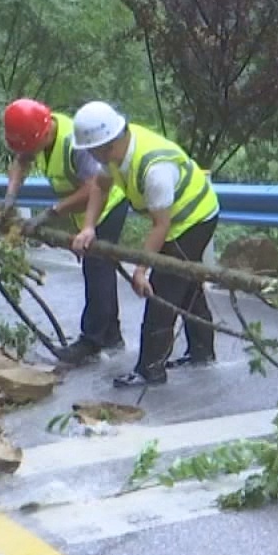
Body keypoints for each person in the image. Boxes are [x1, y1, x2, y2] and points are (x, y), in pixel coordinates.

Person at [66, 101, 222, 389]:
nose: (90, 156)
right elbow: (100, 187)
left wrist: (141, 270)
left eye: (92, 151)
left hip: (193, 219)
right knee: (186, 283)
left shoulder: (154, 169)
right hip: (173, 219)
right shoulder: (114, 151)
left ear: (106, 144)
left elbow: (161, 225)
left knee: (164, 287)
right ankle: (202, 351)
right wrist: (88, 226)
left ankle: (150, 369)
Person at [0, 98, 128, 366]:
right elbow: (21, 162)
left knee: (96, 267)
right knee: (100, 269)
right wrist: (11, 196)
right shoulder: (36, 136)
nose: (29, 151)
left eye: (32, 145)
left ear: (45, 133)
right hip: (84, 211)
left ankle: (91, 341)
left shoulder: (72, 143)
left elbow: (95, 187)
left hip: (107, 204)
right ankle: (111, 335)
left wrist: (53, 212)